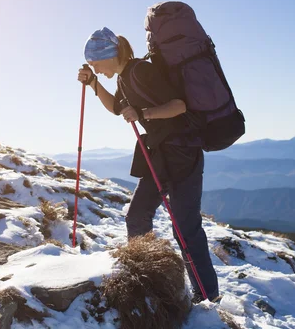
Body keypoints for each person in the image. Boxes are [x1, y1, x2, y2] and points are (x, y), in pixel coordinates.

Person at [77, 27, 219, 303]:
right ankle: (151, 278)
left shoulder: (141, 71)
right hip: (160, 154)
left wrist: (144, 113)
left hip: (183, 153)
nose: (95, 67)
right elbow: (117, 108)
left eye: (95, 63)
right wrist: (94, 84)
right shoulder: (124, 79)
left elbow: (179, 105)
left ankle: (207, 297)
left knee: (185, 228)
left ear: (109, 55)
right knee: (137, 215)